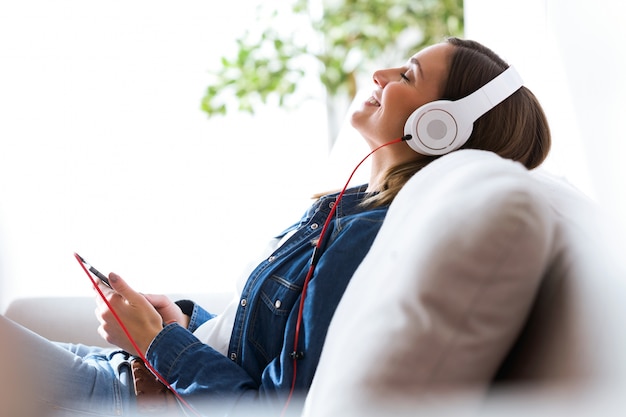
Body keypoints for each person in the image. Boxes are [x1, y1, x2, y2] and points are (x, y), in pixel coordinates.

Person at [0, 37, 550, 417]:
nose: (380, 74)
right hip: (135, 376)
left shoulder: (369, 241)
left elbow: (273, 406)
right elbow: (272, 350)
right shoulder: (351, 210)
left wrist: (157, 340)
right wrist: (183, 322)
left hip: (137, 397)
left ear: (441, 126)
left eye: (408, 75)